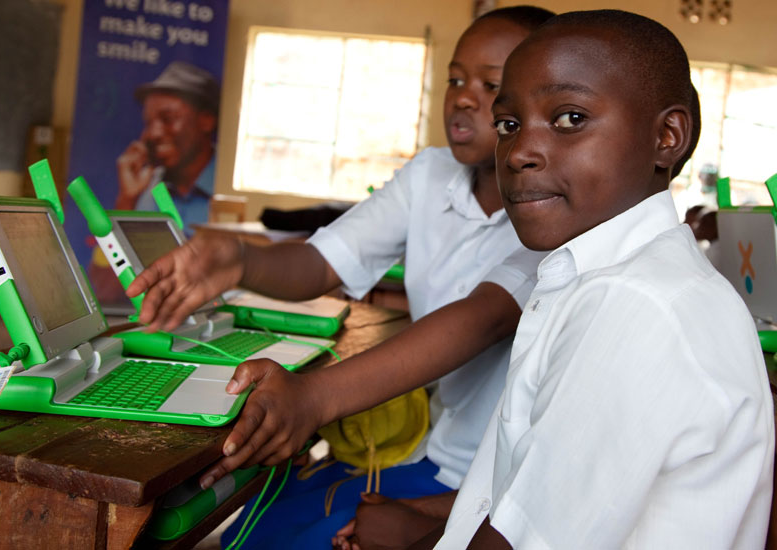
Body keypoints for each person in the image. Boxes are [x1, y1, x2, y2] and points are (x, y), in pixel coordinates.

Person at [333, 10, 772, 549]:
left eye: (569, 118)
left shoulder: (636, 307)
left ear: (667, 136)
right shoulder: (596, 279)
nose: (518, 153)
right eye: (509, 125)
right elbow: (530, 493)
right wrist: (418, 522)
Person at [127, 6, 554, 548]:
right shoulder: (430, 174)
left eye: (491, 84)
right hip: (426, 445)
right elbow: (322, 262)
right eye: (455, 78)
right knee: (262, 508)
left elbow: (480, 320)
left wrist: (311, 398)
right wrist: (237, 259)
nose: (464, 96)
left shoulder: (553, 212)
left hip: (483, 476)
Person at [115, 60, 219, 226]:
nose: (153, 134)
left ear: (206, 121)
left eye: (168, 119)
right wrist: (128, 198)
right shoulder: (152, 189)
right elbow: (119, 251)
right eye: (148, 123)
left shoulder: (227, 187)